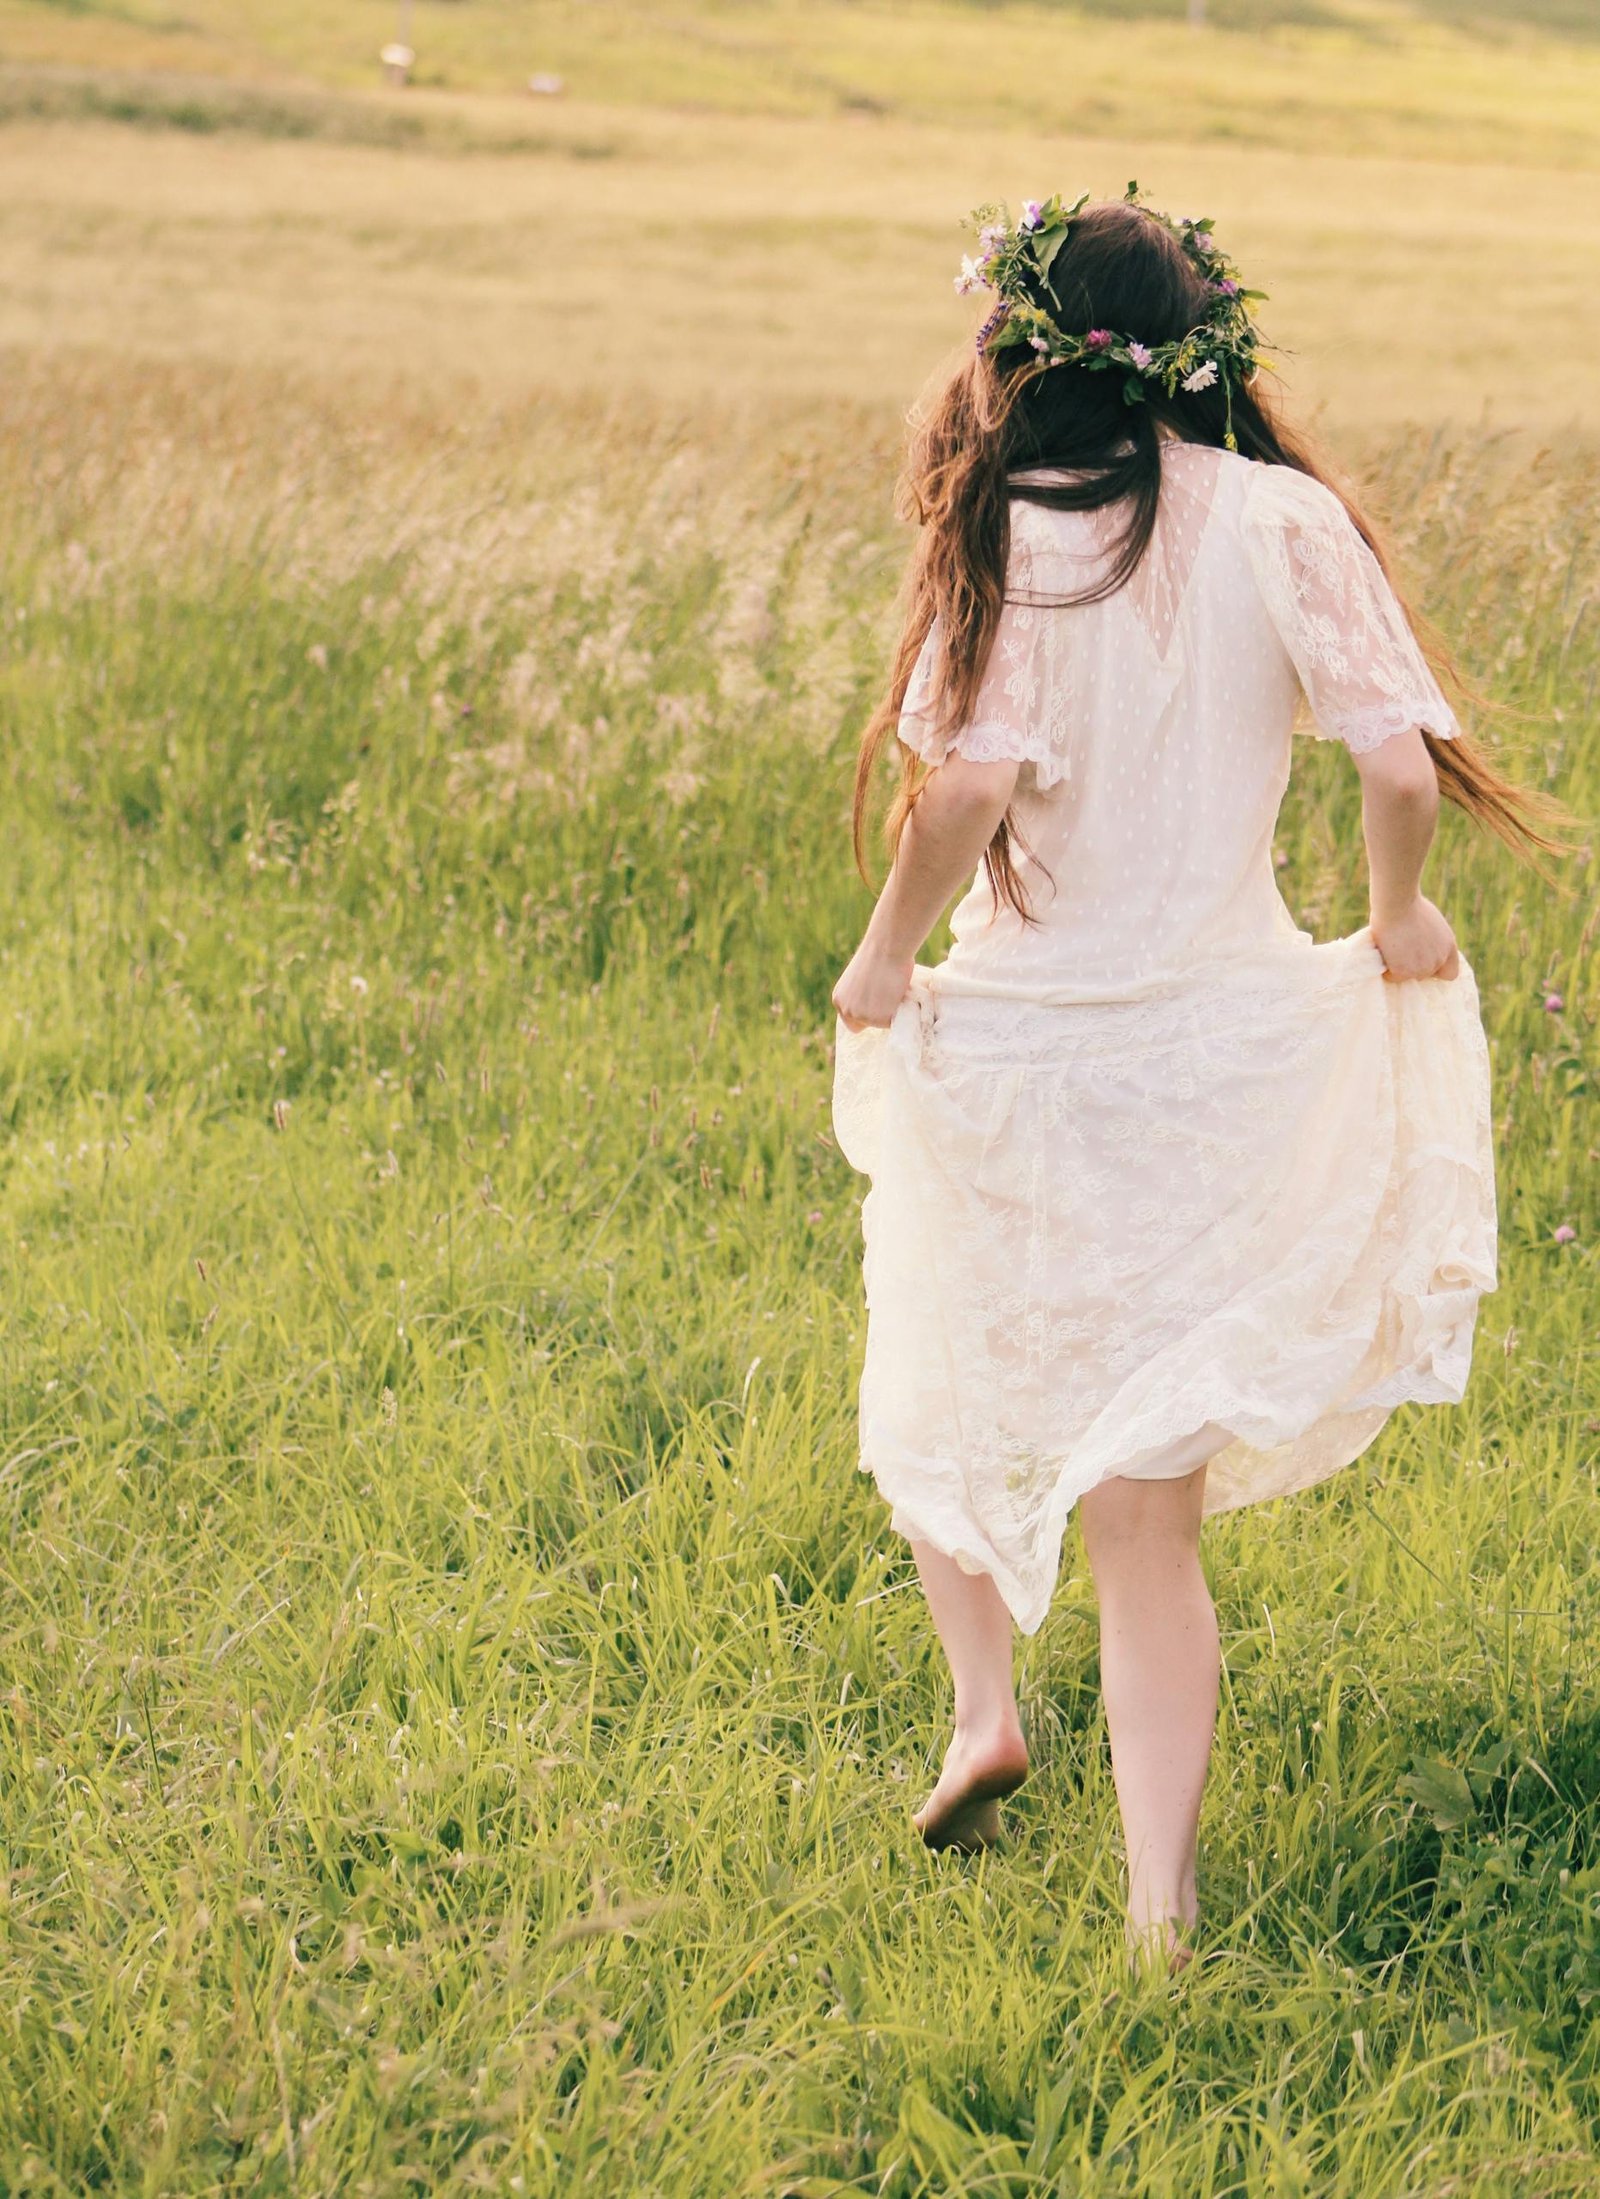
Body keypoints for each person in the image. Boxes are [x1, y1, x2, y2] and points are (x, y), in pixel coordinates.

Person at [829, 186, 1563, 1976]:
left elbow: (969, 793)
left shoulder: (1009, 526)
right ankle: (1159, 1916)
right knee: (1149, 1528)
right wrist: (1395, 921)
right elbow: (1399, 767)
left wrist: (880, 956)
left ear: (1026, 346)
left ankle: (984, 1708)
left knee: (950, 1386)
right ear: (1205, 344)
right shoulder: (1288, 519)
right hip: (1223, 1057)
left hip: (1023, 1052)